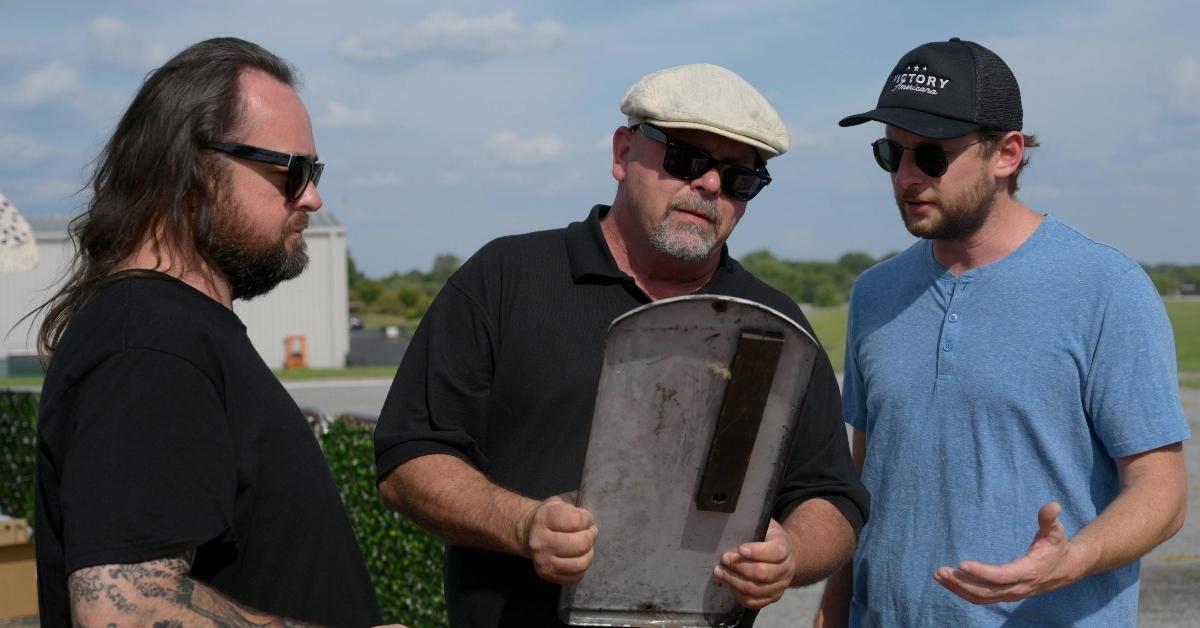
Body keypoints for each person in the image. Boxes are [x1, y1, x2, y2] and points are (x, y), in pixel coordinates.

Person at [374, 63, 870, 627]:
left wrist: (794, 552)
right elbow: (408, 456)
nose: (709, 185)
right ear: (622, 152)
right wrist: (523, 524)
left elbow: (833, 495)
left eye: (739, 178)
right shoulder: (505, 278)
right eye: (685, 158)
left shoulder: (774, 322)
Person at [816, 38, 1190, 627]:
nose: (907, 176)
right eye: (892, 153)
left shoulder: (1106, 287)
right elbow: (866, 480)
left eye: (932, 156)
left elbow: (1161, 495)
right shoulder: (875, 294)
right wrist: (832, 611)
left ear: (1007, 154)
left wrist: (1076, 557)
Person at [33, 37, 384, 626]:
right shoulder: (150, 342)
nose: (313, 197)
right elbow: (124, 612)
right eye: (293, 171)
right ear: (190, 171)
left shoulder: (173, 333)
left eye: (314, 171)